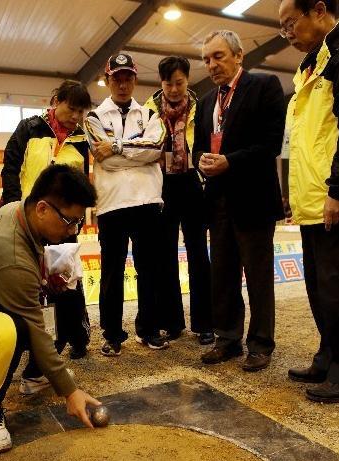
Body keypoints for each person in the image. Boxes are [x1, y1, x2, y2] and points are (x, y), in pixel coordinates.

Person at [0, 164, 101, 453]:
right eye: (69, 221)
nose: (72, 230)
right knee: (10, 329)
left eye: (77, 223)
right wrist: (70, 392)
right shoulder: (11, 255)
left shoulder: (17, 209)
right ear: (42, 208)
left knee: (64, 293)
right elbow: (36, 329)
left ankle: (35, 376)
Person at [195, 30, 286, 372]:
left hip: (253, 199)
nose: (212, 65)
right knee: (223, 274)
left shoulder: (265, 86)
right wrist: (202, 162)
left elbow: (270, 144)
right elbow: (198, 149)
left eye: (218, 56)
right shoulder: (205, 102)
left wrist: (230, 161)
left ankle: (261, 343)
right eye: (206, 59)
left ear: (238, 56)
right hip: (217, 201)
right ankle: (228, 338)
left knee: (258, 275)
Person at [2, 80, 91, 374]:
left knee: (67, 280)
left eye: (80, 111)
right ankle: (35, 344)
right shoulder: (29, 128)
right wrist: (16, 206)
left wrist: (76, 219)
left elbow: (83, 183)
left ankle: (76, 337)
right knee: (33, 283)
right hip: (32, 222)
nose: (75, 116)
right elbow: (11, 168)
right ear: (56, 100)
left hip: (65, 225)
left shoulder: (81, 139)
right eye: (70, 108)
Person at [84, 53, 168, 356]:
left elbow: (156, 148)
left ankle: (149, 329)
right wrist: (137, 151)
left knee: (149, 269)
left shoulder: (149, 115)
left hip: (146, 201)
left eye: (128, 77)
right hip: (112, 204)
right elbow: (101, 154)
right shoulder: (93, 117)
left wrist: (118, 146)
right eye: (116, 78)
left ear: (135, 79)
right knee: (111, 272)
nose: (122, 83)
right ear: (107, 80)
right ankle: (112, 334)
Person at [279, 0, 339, 403]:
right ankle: (327, 355)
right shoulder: (308, 68)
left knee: (337, 287)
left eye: (290, 23)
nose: (287, 34)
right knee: (318, 286)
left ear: (318, 10)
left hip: (331, 197)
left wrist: (338, 190)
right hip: (309, 198)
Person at [146, 56, 214, 345]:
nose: (174, 89)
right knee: (164, 255)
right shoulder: (148, 111)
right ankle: (171, 321)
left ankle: (205, 323)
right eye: (168, 83)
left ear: (188, 80)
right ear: (160, 83)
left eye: (179, 83)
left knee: (199, 253)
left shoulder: (202, 107)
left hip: (192, 183)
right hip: (162, 185)